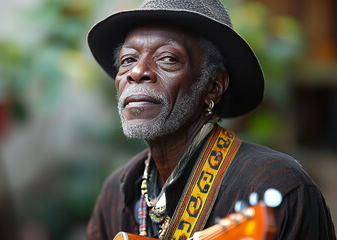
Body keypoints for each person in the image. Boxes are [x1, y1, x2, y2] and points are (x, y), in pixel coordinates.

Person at [86, 0, 336, 239]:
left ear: (213, 86)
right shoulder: (117, 193)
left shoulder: (277, 186)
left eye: (168, 58)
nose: (138, 72)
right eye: (127, 60)